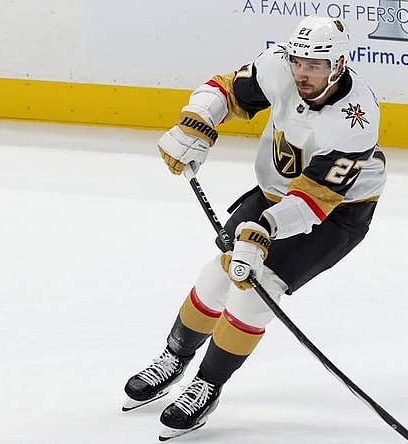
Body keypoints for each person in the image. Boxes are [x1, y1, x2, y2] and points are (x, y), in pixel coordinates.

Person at [122, 15, 387, 439]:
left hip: (335, 213)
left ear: (338, 65)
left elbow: (316, 199)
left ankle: (208, 385)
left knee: (254, 292)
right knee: (218, 274)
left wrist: (263, 229)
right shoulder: (278, 67)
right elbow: (226, 90)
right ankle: (174, 357)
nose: (303, 72)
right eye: (300, 61)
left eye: (316, 66)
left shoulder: (355, 120)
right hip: (277, 191)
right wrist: (197, 120)